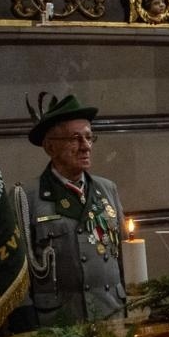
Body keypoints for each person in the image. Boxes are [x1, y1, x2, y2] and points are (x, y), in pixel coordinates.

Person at [16, 94, 126, 325]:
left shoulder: (107, 189)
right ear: (50, 147)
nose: (86, 146)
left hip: (111, 316)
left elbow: (124, 255)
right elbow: (17, 269)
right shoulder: (26, 196)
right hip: (58, 324)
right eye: (75, 139)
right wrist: (25, 321)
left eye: (89, 137)